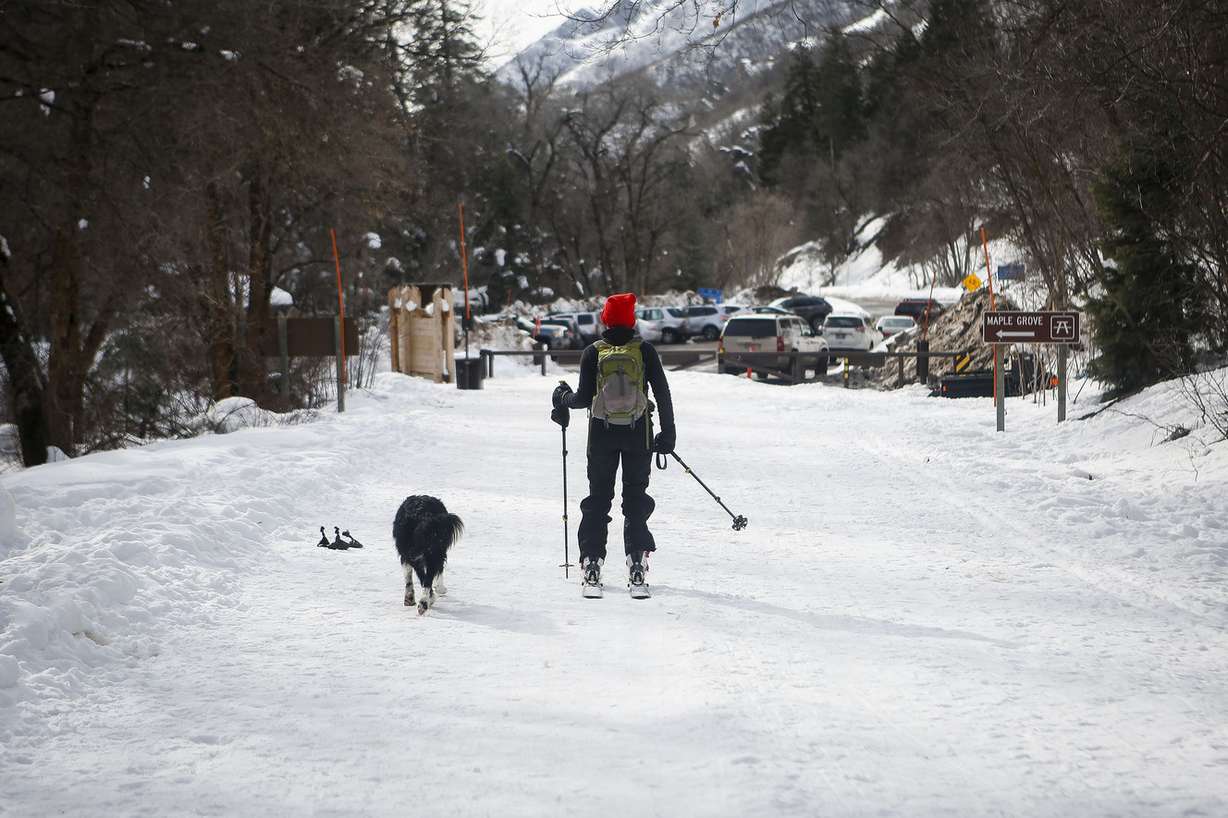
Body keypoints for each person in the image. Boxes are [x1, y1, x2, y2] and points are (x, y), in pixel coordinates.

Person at [551, 292, 675, 598]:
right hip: (638, 435)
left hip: (602, 436)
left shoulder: (593, 352)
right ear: (631, 320)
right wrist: (668, 433)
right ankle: (636, 564)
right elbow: (662, 392)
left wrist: (561, 397)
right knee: (635, 499)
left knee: (599, 498)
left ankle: (592, 563)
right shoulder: (644, 351)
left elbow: (581, 400)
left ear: (605, 319)